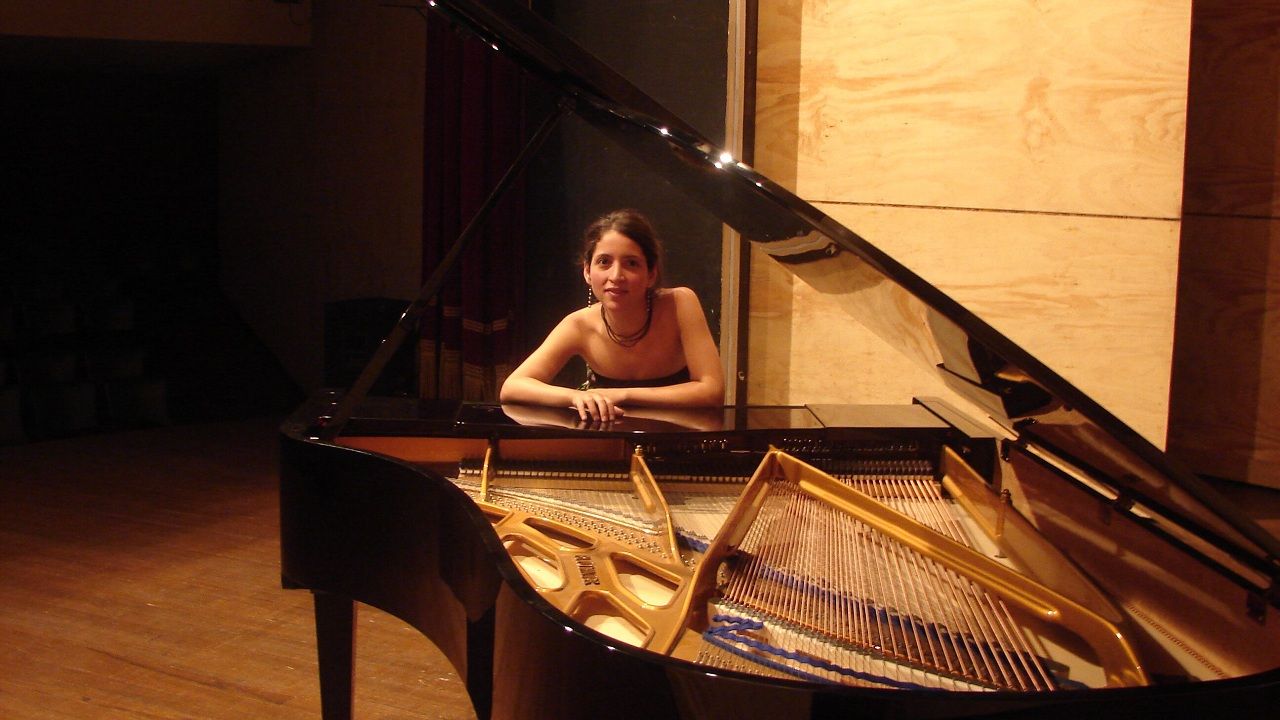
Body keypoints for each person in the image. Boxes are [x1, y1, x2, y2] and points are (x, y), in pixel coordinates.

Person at [499, 209, 724, 422]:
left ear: (651, 274)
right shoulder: (579, 324)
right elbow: (513, 387)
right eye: (604, 262)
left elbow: (712, 391)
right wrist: (575, 397)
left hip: (678, 439)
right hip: (608, 441)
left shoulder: (679, 303)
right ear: (587, 271)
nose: (616, 276)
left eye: (631, 263)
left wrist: (623, 395)